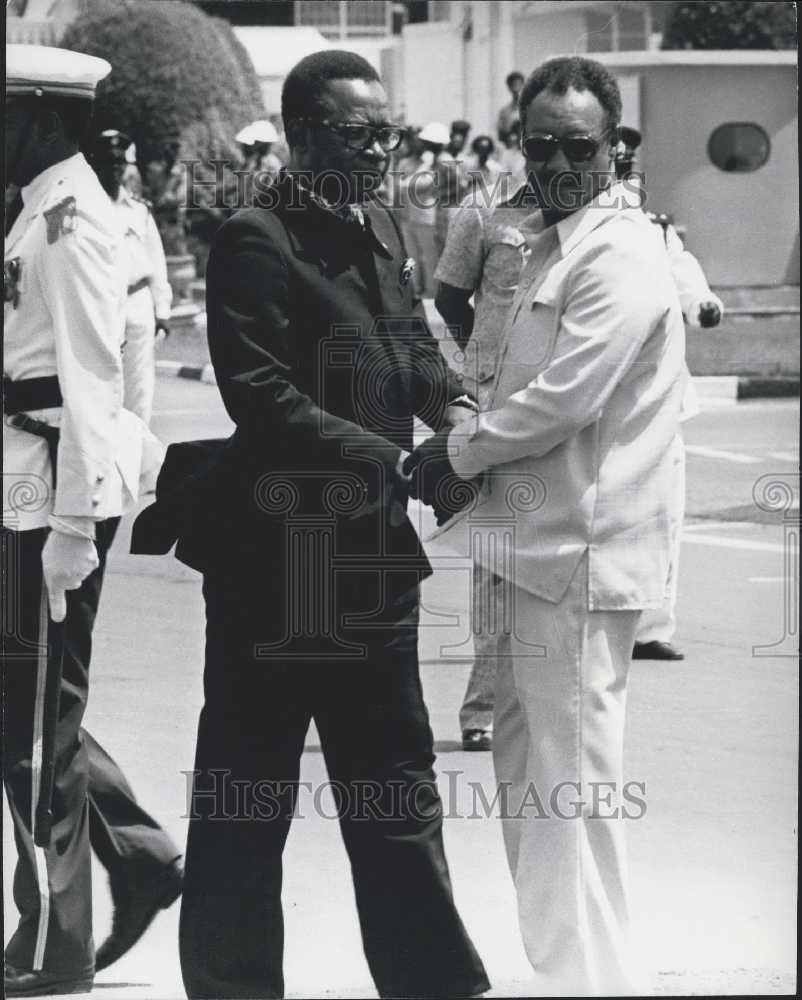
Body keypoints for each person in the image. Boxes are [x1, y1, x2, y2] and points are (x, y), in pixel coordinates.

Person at [131, 50, 489, 1000]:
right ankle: (233, 986)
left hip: (370, 557)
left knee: (397, 789)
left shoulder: (376, 223)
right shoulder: (256, 237)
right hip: (274, 564)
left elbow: (408, 339)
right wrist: (393, 456)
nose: (382, 150)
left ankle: (434, 985)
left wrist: (452, 406)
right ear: (302, 134)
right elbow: (262, 398)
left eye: (388, 132)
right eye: (359, 133)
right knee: (248, 794)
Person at [405, 56, 686, 993]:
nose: (559, 162)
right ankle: (564, 970)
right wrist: (461, 428)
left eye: (580, 146)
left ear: (615, 149)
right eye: (542, 144)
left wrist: (461, 452)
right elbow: (507, 380)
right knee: (528, 787)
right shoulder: (545, 240)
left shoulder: (623, 251)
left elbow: (562, 400)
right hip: (526, 548)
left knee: (571, 793)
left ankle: (596, 981)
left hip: (580, 557)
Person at [3, 44, 183, 997]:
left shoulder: (73, 222)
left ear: (35, 113)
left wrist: (74, 526)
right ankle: (140, 855)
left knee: (32, 729)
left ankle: (51, 946)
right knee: (29, 714)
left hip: (47, 497)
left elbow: (88, 380)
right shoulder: (40, 206)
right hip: (23, 484)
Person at [614, 127, 724, 660]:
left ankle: (650, 627)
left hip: (661, 394)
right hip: (604, 396)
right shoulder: (569, 227)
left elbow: (687, 279)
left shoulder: (654, 230)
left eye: (629, 169)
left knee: (666, 514)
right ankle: (606, 618)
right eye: (616, 165)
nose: (625, 176)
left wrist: (703, 304)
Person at [434, 171, 532, 752]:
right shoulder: (485, 207)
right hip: (497, 397)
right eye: (541, 142)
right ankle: (485, 708)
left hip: (565, 395)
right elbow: (450, 294)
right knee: (496, 554)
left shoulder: (599, 211)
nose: (555, 157)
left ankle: (544, 705)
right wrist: (485, 353)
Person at [88, 129, 172, 426]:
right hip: (97, 306)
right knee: (100, 391)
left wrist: (162, 311)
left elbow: (157, 263)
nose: (114, 168)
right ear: (93, 164)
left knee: (138, 393)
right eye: (106, 162)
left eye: (119, 163)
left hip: (136, 305)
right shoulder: (82, 210)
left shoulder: (139, 211)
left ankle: (136, 465)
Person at [398, 120, 449, 297]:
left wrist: (425, 165)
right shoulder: (406, 162)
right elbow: (397, 186)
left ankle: (431, 291)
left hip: (426, 216)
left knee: (429, 256)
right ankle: (415, 289)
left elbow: (419, 184)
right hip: (408, 215)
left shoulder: (432, 163)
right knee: (411, 255)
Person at [496, 70, 523, 143]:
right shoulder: (504, 111)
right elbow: (501, 133)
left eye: (519, 84)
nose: (516, 89)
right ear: (509, 88)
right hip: (511, 147)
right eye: (513, 85)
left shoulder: (531, 108)